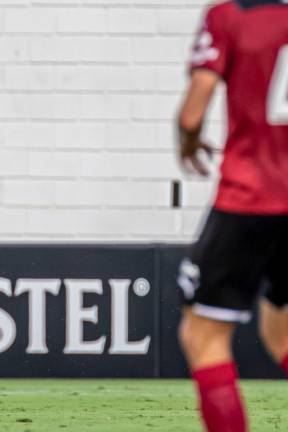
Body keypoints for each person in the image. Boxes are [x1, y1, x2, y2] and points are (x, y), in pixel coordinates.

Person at [176, 1, 288, 431]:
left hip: (251, 199)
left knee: (203, 336)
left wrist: (188, 140)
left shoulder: (232, 14)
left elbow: (192, 114)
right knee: (279, 330)